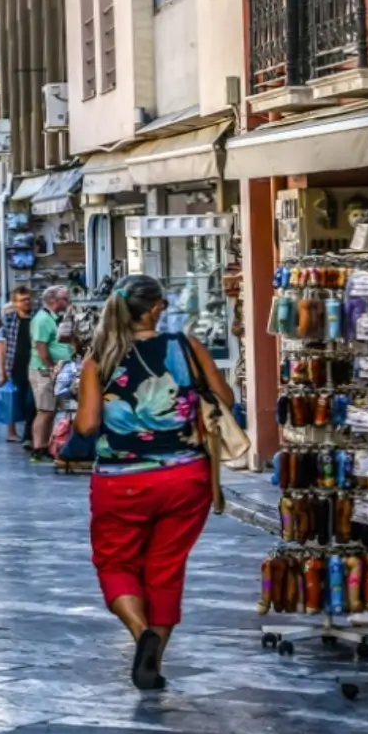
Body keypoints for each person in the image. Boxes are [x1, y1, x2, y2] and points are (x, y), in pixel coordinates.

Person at [73, 275, 236, 691]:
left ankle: (139, 629)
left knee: (115, 562)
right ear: (157, 308)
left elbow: (88, 424)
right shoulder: (185, 347)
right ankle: (153, 663)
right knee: (165, 568)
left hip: (120, 481)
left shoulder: (99, 359)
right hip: (185, 476)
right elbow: (226, 399)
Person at [28, 286, 75, 461]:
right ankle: (38, 447)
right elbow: (41, 347)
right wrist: (51, 367)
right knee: (45, 409)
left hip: (58, 369)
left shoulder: (57, 318)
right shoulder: (42, 320)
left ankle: (47, 445)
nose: (67, 302)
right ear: (53, 301)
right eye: (65, 299)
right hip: (43, 370)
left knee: (53, 410)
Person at [0, 287, 37, 443]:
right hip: (14, 365)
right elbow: (1, 346)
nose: (27, 302)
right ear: (15, 303)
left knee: (31, 402)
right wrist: (1, 371)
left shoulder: (37, 318)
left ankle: (30, 433)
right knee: (12, 399)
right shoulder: (9, 320)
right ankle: (11, 432)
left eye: (28, 299)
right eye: (22, 300)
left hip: (33, 365)